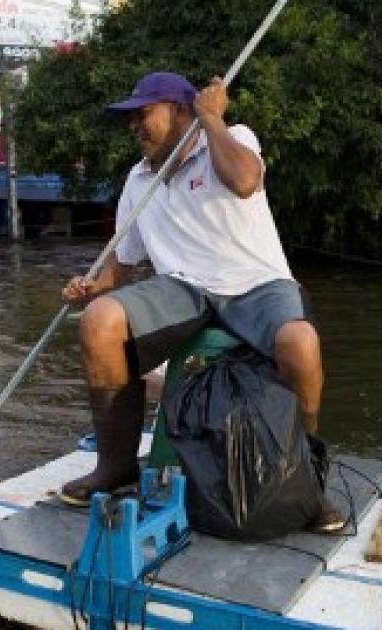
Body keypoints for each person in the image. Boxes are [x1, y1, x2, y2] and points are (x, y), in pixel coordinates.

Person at [56, 72, 342, 532]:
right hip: (184, 290)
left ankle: (304, 478)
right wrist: (92, 287)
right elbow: (122, 263)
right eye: (130, 117)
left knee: (300, 344)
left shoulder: (231, 139)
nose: (134, 125)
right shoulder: (139, 179)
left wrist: (211, 118)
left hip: (257, 284)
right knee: (99, 321)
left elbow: (246, 181)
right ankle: (117, 467)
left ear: (181, 110)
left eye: (143, 113)